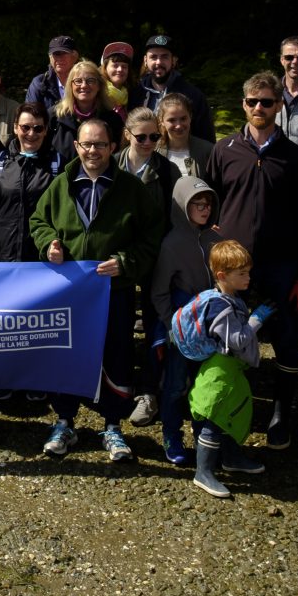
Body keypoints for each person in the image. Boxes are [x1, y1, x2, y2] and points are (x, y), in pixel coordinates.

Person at [32, 118, 163, 464]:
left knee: (116, 353)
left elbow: (151, 237)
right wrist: (50, 244)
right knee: (66, 353)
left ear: (113, 147)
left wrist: (126, 261)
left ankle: (112, 425)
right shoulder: (61, 185)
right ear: (76, 146)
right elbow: (38, 221)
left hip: (113, 290)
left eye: (100, 144)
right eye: (86, 144)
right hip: (71, 291)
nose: (93, 151)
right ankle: (64, 421)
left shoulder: (132, 190)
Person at [201, 72, 298, 448]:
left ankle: (282, 414)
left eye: (267, 101)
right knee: (227, 339)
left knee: (285, 340)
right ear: (243, 104)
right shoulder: (224, 149)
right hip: (232, 268)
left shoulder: (295, 157)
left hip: (279, 265)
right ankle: (227, 412)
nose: (259, 108)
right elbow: (209, 202)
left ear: (279, 105)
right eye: (252, 101)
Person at [187, 240, 273, 497]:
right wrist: (257, 319)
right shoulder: (220, 306)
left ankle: (231, 458)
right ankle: (203, 472)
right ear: (223, 276)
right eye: (242, 274)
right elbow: (235, 340)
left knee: (233, 413)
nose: (248, 278)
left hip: (230, 369)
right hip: (219, 372)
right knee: (214, 417)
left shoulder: (229, 298)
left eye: (248, 271)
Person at [150, 176, 224, 465]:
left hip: (211, 327)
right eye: (197, 204)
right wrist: (173, 325)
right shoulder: (171, 243)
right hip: (182, 327)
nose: (204, 210)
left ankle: (202, 436)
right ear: (182, 206)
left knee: (204, 384)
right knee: (175, 385)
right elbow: (159, 292)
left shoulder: (216, 239)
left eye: (208, 204)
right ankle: (171, 435)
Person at [119, 106, 179, 428]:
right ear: (127, 134)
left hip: (157, 260)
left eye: (154, 136)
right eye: (140, 136)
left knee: (156, 327)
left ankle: (149, 392)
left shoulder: (169, 172)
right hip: (120, 259)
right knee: (120, 324)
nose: (147, 142)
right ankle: (119, 384)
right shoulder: (111, 164)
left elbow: (176, 221)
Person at [0, 101, 54, 263]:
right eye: (26, 127)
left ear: (45, 130)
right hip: (3, 258)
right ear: (15, 127)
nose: (31, 134)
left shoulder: (56, 166)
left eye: (38, 128)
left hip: (42, 261)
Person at [134, 35, 216, 143]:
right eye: (153, 57)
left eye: (164, 57)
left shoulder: (192, 96)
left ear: (173, 60)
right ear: (145, 60)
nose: (158, 62)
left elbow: (206, 140)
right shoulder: (135, 93)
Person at [47, 60, 123, 164]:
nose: (84, 85)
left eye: (90, 81)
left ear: (99, 86)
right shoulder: (54, 116)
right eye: (78, 81)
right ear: (70, 85)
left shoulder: (113, 120)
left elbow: (117, 156)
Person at [156, 94, 214, 177]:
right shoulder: (154, 151)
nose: (178, 125)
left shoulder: (207, 150)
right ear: (161, 121)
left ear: (190, 116)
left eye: (183, 119)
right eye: (172, 120)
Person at [24, 35, 79, 107]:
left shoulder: (84, 82)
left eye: (64, 53)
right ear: (50, 57)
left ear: (74, 56)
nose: (60, 58)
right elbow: (30, 114)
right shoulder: (40, 83)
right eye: (56, 54)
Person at [99, 41, 135, 109]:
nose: (120, 69)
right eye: (115, 66)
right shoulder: (97, 93)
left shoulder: (135, 95)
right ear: (105, 68)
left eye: (124, 66)